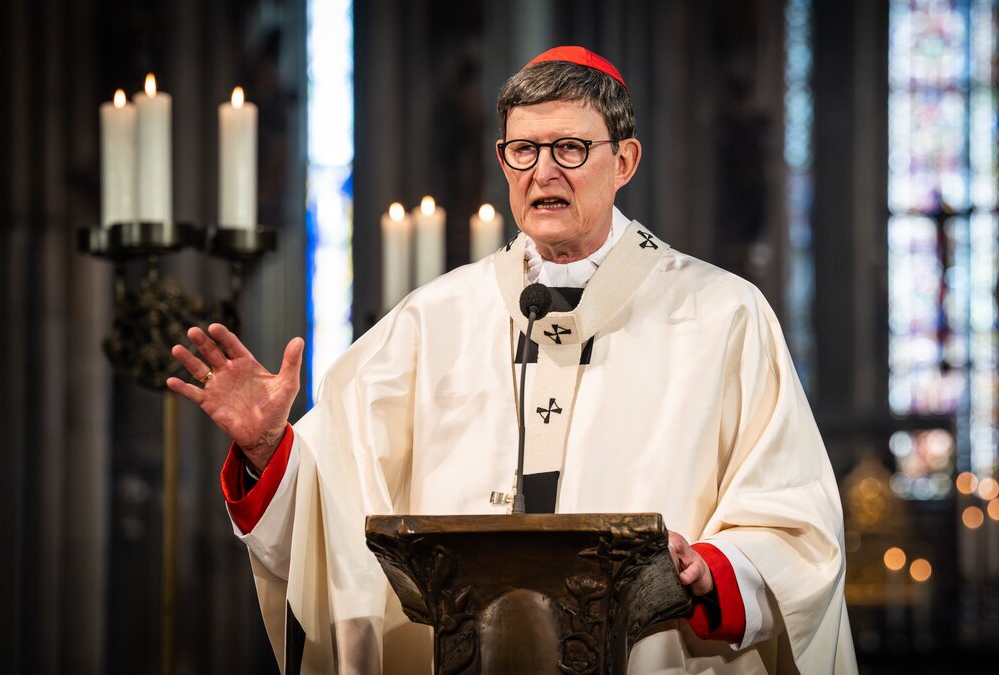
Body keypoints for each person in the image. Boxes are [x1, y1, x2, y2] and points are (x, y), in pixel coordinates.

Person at [169, 46, 857, 674]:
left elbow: (795, 520)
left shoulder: (723, 314)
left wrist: (711, 568)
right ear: (503, 163)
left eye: (570, 148)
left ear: (624, 162)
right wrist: (267, 450)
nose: (543, 172)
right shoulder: (432, 319)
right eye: (524, 150)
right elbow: (335, 509)